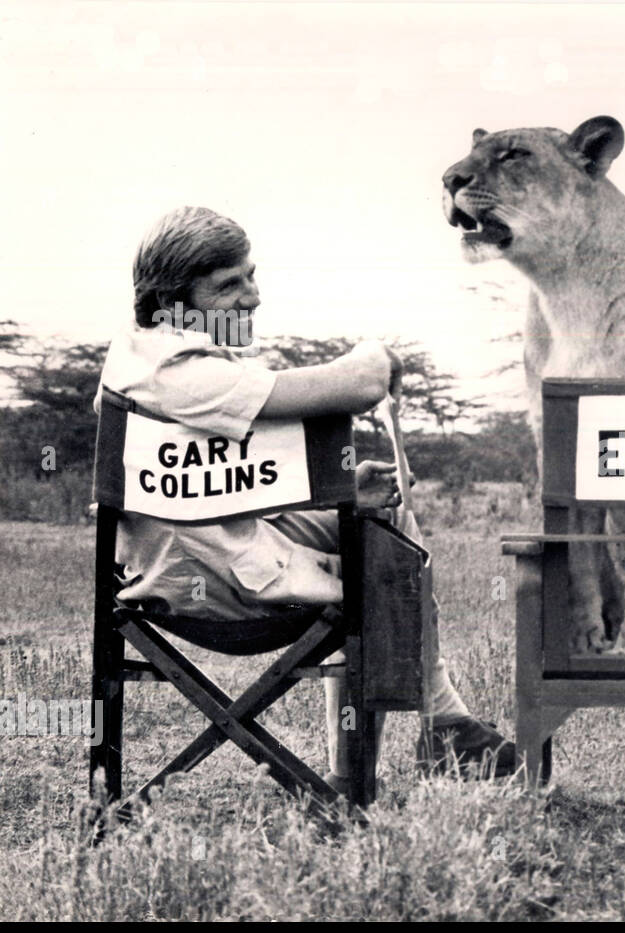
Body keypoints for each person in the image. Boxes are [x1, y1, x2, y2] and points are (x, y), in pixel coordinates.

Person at [95, 206, 515, 788]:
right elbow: (358, 385)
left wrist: (340, 490)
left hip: (210, 548)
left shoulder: (143, 353)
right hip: (211, 588)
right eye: (229, 285)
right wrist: (375, 352)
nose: (253, 297)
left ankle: (442, 722)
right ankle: (421, 736)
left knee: (383, 519)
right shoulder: (183, 373)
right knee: (381, 574)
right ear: (173, 300)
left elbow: (216, 484)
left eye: (250, 275)